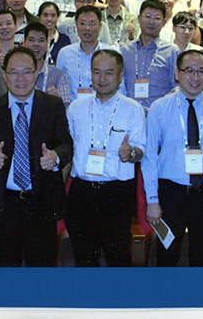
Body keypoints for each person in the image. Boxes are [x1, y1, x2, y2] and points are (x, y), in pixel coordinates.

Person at [0, 47, 74, 267]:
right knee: (5, 271)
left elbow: (67, 145)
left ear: (36, 74)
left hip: (42, 202)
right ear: (4, 76)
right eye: (14, 72)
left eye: (27, 72)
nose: (21, 79)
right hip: (3, 203)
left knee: (42, 271)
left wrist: (55, 157)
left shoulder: (52, 106)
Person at [142, 49, 203, 266]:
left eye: (201, 71)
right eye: (189, 71)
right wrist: (152, 200)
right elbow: (149, 158)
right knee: (167, 256)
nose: (195, 77)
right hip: (170, 194)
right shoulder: (160, 108)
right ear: (177, 73)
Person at [65, 50, 146, 267]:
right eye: (97, 72)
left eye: (109, 73)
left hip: (117, 193)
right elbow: (68, 150)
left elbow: (141, 150)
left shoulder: (133, 109)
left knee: (118, 257)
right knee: (84, 258)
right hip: (82, 191)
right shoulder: (75, 108)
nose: (102, 79)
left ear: (120, 75)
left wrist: (131, 153)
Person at [120, 0, 179, 112]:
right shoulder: (125, 51)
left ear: (164, 22)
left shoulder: (171, 52)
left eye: (157, 18)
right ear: (139, 19)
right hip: (129, 114)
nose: (151, 22)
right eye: (147, 16)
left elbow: (177, 86)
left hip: (160, 114)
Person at [56, 5, 112, 101]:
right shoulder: (65, 53)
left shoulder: (111, 54)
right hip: (72, 108)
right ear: (76, 25)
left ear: (100, 26)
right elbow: (60, 86)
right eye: (82, 23)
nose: (87, 28)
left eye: (92, 24)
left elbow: (120, 88)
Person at [24, 22, 73, 106]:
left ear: (47, 44)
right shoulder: (14, 73)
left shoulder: (59, 75)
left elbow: (67, 110)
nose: (36, 44)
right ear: (23, 43)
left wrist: (57, 100)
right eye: (31, 40)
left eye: (41, 40)